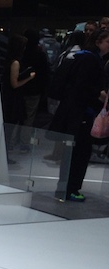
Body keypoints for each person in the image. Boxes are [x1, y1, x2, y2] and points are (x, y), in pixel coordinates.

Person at [48, 29, 109, 201]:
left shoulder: (84, 57)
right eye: (107, 42)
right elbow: (82, 87)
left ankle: (67, 188)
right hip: (81, 113)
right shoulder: (90, 59)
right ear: (98, 42)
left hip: (76, 112)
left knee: (75, 152)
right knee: (79, 153)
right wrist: (99, 95)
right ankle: (70, 189)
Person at [2, 34, 37, 159]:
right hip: (13, 98)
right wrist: (29, 77)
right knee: (10, 128)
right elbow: (15, 84)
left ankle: (5, 155)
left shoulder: (9, 60)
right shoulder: (15, 63)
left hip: (9, 97)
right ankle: (5, 155)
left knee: (9, 128)